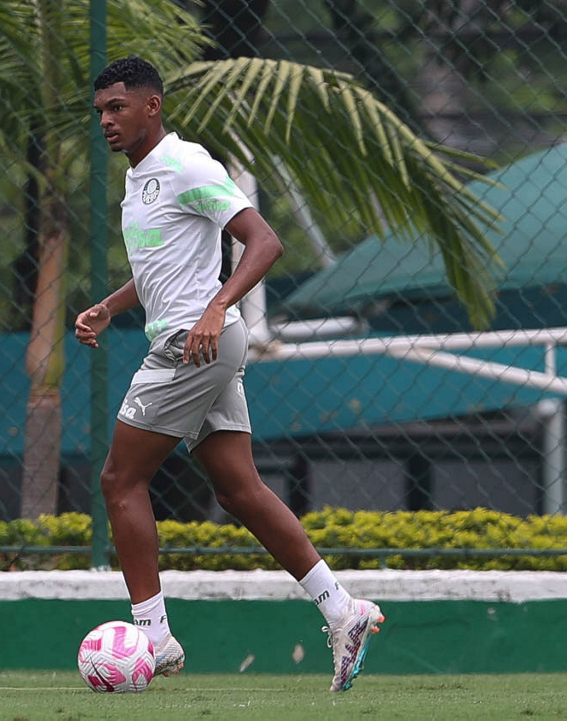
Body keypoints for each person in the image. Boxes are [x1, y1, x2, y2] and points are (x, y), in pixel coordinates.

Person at [77, 56, 383, 693]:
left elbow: (265, 241)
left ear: (152, 106)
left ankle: (153, 636)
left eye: (118, 107)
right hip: (202, 344)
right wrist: (110, 305)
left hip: (192, 347)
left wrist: (217, 307)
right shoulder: (139, 179)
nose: (106, 120)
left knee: (120, 479)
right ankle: (342, 610)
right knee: (239, 491)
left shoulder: (186, 164)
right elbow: (164, 270)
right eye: (101, 110)